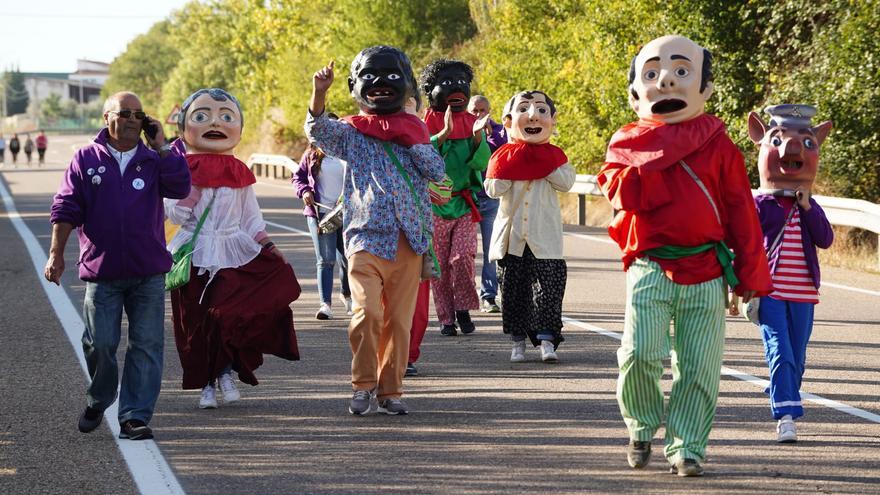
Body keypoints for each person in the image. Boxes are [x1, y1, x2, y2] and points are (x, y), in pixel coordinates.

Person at [598, 35, 773, 476]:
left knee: (699, 365)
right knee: (639, 355)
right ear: (635, 91)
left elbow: (741, 213)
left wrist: (749, 277)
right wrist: (661, 157)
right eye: (652, 73)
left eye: (681, 71)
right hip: (650, 263)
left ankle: (687, 447)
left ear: (705, 88)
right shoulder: (626, 142)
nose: (667, 82)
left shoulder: (720, 146)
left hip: (707, 267)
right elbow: (620, 192)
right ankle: (640, 427)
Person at [306, 47, 446, 415]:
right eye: (369, 76)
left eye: (391, 76)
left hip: (409, 239)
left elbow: (435, 171)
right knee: (367, 314)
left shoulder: (417, 129)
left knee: (398, 322)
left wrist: (411, 136)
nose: (381, 84)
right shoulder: (353, 132)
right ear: (355, 86)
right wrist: (320, 91)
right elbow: (317, 130)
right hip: (365, 236)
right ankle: (363, 384)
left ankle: (391, 391)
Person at [45, 91, 191, 440]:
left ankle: (134, 417)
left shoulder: (155, 159)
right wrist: (56, 253)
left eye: (138, 115)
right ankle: (99, 399)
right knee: (100, 343)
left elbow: (181, 186)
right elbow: (65, 209)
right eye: (124, 112)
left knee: (147, 345)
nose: (131, 119)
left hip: (148, 272)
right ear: (106, 117)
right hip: (103, 272)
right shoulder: (85, 159)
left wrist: (162, 147)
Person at [165, 88, 301, 410]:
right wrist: (192, 192)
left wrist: (267, 244)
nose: (216, 123)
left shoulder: (238, 170)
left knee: (226, 315)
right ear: (185, 125)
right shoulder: (180, 168)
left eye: (227, 117)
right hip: (194, 251)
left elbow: (251, 218)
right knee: (198, 322)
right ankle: (208, 384)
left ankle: (225, 372)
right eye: (202, 116)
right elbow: (173, 214)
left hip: (231, 249)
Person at [732, 104, 833, 443]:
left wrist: (806, 207)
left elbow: (825, 239)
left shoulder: (810, 206)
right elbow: (743, 244)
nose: (791, 150)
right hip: (769, 290)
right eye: (777, 140)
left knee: (797, 355)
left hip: (804, 293)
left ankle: (782, 388)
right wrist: (736, 285)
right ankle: (786, 415)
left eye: (807, 143)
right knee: (781, 350)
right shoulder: (759, 203)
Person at [484, 90, 575, 363]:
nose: (532, 116)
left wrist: (540, 160)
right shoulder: (502, 155)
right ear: (509, 121)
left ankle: (547, 342)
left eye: (540, 111)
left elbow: (566, 183)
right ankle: (518, 343)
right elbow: (491, 189)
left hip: (544, 238)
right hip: (512, 238)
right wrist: (512, 166)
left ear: (552, 119)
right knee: (513, 292)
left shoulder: (555, 155)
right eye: (523, 110)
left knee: (548, 290)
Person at [420, 59, 491, 336]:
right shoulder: (423, 123)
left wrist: (475, 139)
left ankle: (463, 307)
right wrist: (444, 134)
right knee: (438, 266)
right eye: (448, 83)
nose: (457, 88)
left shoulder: (473, 123)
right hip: (434, 206)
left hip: (462, 203)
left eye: (462, 82)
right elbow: (422, 157)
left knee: (462, 258)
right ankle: (446, 319)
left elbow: (480, 163)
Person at [293, 119, 353, 320]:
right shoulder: (311, 155)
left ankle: (347, 296)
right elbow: (298, 178)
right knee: (325, 260)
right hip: (320, 214)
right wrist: (305, 191)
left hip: (346, 213)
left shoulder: (348, 153)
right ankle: (325, 304)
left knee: (348, 258)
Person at [468, 95, 506, 313]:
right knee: (464, 253)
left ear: (489, 111)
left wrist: (488, 136)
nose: (478, 115)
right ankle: (464, 297)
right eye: (474, 110)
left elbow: (502, 156)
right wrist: (474, 136)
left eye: (482, 110)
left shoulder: (500, 132)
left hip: (491, 199)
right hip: (467, 198)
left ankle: (489, 296)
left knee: (492, 251)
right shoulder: (461, 130)